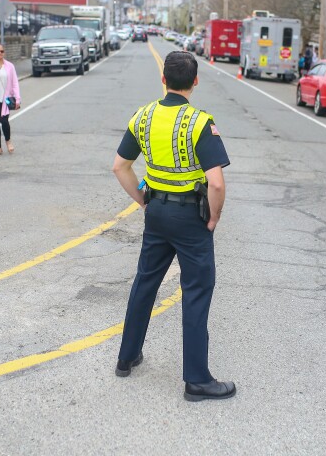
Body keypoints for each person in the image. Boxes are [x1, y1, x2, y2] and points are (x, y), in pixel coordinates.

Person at [112, 51, 234, 402]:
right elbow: (216, 183)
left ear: (163, 80)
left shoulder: (143, 116)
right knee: (196, 291)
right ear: (195, 82)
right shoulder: (200, 122)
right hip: (190, 219)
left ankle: (127, 356)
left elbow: (119, 166)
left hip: (156, 213)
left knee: (145, 282)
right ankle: (196, 380)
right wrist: (213, 216)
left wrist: (142, 200)